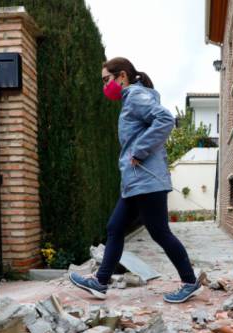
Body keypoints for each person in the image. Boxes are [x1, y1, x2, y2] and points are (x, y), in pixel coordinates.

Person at [68, 57, 204, 303]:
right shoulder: (132, 98)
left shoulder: (135, 96)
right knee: (115, 228)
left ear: (122, 76)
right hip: (136, 182)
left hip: (147, 181)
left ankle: (189, 281)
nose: (105, 86)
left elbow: (165, 119)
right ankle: (100, 282)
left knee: (160, 232)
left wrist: (139, 150)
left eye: (106, 79)